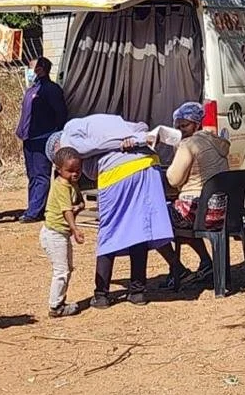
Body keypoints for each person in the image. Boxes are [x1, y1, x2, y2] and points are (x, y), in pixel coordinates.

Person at [48, 114, 182, 306]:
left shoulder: (69, 134)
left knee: (109, 232)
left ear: (57, 147)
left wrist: (122, 143)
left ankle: (101, 295)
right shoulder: (108, 122)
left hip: (118, 173)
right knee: (140, 230)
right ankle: (138, 292)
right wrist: (133, 139)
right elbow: (142, 126)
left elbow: (88, 147)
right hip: (149, 166)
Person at [164, 102, 226, 283]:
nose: (182, 130)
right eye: (178, 127)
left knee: (155, 218)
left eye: (185, 125)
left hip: (200, 212)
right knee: (180, 215)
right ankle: (206, 262)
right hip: (223, 210)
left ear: (196, 124)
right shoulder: (216, 142)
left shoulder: (189, 144)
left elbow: (173, 179)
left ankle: (176, 267)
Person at [16, 57, 67, 223]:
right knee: (32, 175)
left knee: (41, 174)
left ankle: (35, 212)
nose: (29, 70)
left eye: (32, 67)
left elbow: (61, 114)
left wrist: (57, 136)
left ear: (41, 69)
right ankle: (33, 206)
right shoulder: (32, 89)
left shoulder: (51, 89)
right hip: (29, 138)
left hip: (43, 138)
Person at [40, 146, 86, 318]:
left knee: (67, 268)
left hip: (62, 233)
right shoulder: (60, 186)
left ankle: (60, 300)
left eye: (78, 170)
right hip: (55, 233)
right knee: (61, 270)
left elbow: (80, 202)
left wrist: (79, 207)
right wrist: (75, 228)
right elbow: (67, 211)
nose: (75, 174)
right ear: (58, 170)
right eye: (70, 171)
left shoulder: (72, 184)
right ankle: (55, 306)